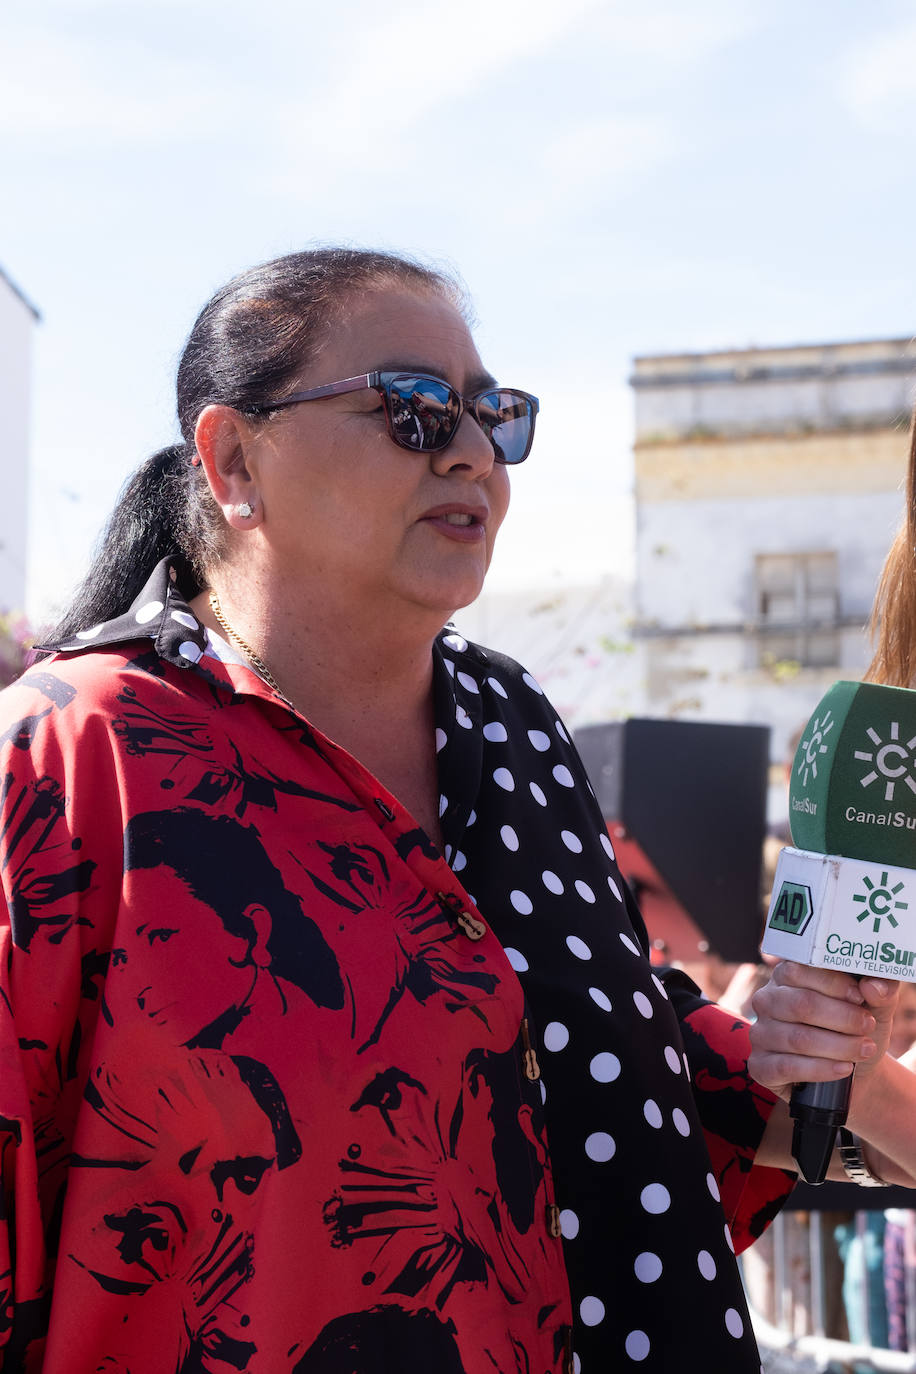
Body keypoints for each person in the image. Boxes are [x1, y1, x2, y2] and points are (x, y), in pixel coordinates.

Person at [0, 248, 882, 1373]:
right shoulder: (79, 749)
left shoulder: (511, 722)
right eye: (412, 412)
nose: (471, 453)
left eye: (494, 416)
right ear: (232, 461)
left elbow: (578, 1047)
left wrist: (810, 1067)